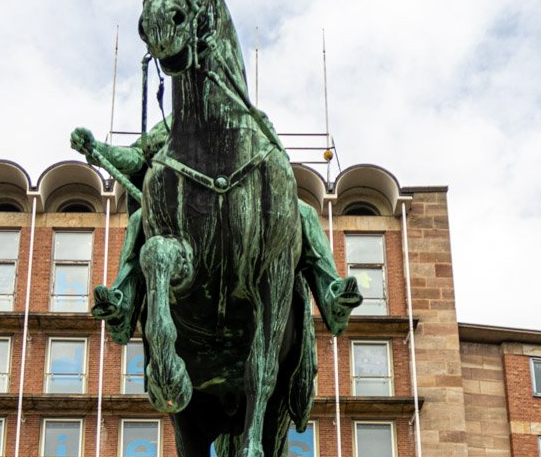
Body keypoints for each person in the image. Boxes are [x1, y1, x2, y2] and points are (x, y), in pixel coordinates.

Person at [71, 125, 363, 345]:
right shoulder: (175, 121)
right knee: (140, 219)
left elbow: (278, 164)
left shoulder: (251, 116)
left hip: (243, 208)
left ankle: (330, 293)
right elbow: (135, 158)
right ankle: (123, 302)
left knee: (305, 213)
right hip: (186, 211)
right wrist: (98, 148)